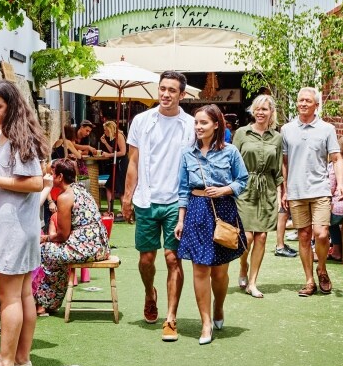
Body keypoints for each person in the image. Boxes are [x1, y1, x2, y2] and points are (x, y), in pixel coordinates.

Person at [0, 80, 49, 366]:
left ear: (11, 106)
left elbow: (35, 182)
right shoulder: (15, 133)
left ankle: (5, 365)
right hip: (21, 225)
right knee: (22, 295)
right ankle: (22, 359)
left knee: (10, 299)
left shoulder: (16, 135)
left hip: (13, 227)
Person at [122, 71, 195, 342]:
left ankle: (171, 317)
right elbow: (133, 161)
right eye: (162, 89)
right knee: (146, 260)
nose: (165, 94)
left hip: (177, 201)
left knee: (172, 258)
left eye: (172, 90)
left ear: (181, 95)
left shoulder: (190, 125)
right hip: (146, 199)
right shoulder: (142, 121)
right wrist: (128, 196)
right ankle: (149, 292)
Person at [175, 105, 248, 344]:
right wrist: (181, 219)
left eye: (204, 123)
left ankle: (219, 306)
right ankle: (205, 323)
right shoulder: (187, 153)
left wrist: (225, 189)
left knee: (219, 272)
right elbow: (183, 189)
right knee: (200, 269)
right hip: (196, 211)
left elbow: (243, 180)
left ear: (216, 125)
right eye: (196, 122)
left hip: (223, 211)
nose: (198, 127)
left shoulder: (231, 152)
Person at [281, 87, 343, 297]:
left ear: (316, 105)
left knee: (322, 233)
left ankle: (322, 269)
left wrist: (341, 183)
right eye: (301, 100)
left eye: (308, 100)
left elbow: (336, 158)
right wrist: (284, 189)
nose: (304, 104)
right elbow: (284, 162)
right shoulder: (287, 130)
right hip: (296, 191)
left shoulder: (327, 129)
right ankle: (309, 280)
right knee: (303, 236)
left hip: (320, 190)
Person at [34, 158, 110, 313]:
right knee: (54, 254)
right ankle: (50, 301)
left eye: (51, 174)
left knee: (45, 252)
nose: (48, 176)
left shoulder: (65, 197)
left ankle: (45, 303)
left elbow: (62, 235)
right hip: (101, 247)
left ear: (60, 176)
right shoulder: (82, 190)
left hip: (87, 249)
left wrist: (46, 238)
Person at [233, 94, 283, 298]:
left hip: (267, 189)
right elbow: (231, 160)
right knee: (246, 237)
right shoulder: (241, 133)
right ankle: (243, 265)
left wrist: (281, 193)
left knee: (261, 237)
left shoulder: (277, 138)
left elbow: (278, 169)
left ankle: (253, 282)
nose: (261, 112)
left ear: (271, 112)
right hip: (245, 187)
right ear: (252, 111)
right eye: (257, 108)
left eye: (265, 109)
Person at [100, 120, 128, 216]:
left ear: (110, 129)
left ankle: (124, 210)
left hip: (121, 164)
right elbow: (113, 150)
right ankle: (109, 209)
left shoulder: (119, 136)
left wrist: (109, 155)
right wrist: (105, 143)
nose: (105, 132)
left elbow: (123, 152)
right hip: (117, 163)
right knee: (109, 186)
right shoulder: (114, 138)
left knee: (120, 188)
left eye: (105, 130)